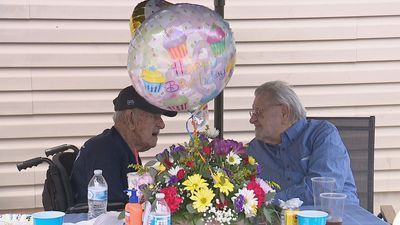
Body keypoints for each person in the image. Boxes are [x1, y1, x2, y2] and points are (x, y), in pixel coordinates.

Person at [247, 80, 359, 205]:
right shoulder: (255, 149)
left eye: (259, 112)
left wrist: (268, 202)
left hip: (336, 218)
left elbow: (321, 191)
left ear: (284, 112)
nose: (252, 120)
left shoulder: (322, 135)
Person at [70, 85, 177, 204]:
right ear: (130, 119)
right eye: (155, 116)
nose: (162, 125)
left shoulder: (122, 147)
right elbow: (113, 212)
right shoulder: (105, 152)